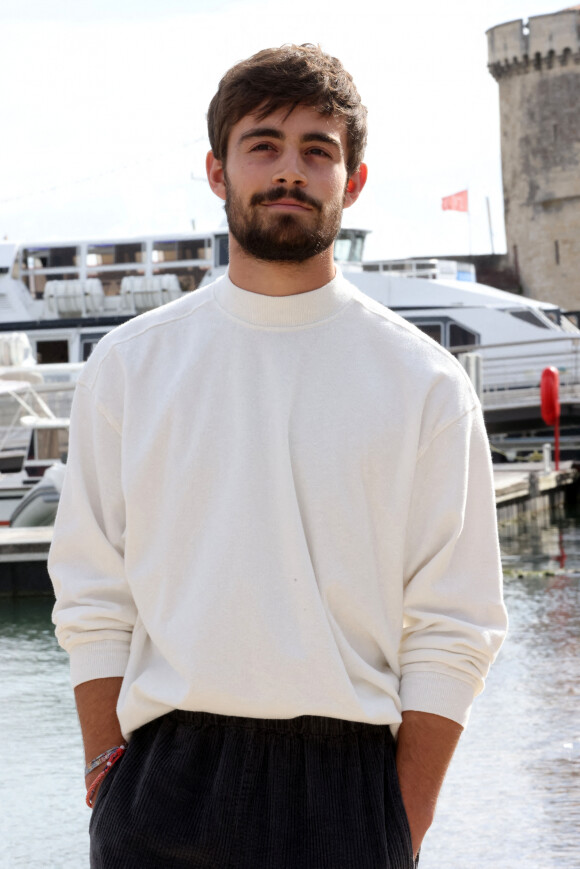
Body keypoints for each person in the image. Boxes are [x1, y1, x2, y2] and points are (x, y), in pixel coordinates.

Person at [49, 43, 508, 869]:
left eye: (317, 151)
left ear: (353, 181)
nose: (288, 170)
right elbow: (92, 594)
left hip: (350, 786)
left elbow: (455, 624)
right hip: (161, 782)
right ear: (219, 172)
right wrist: (106, 772)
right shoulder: (130, 366)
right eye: (263, 144)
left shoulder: (425, 383)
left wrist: (399, 822)